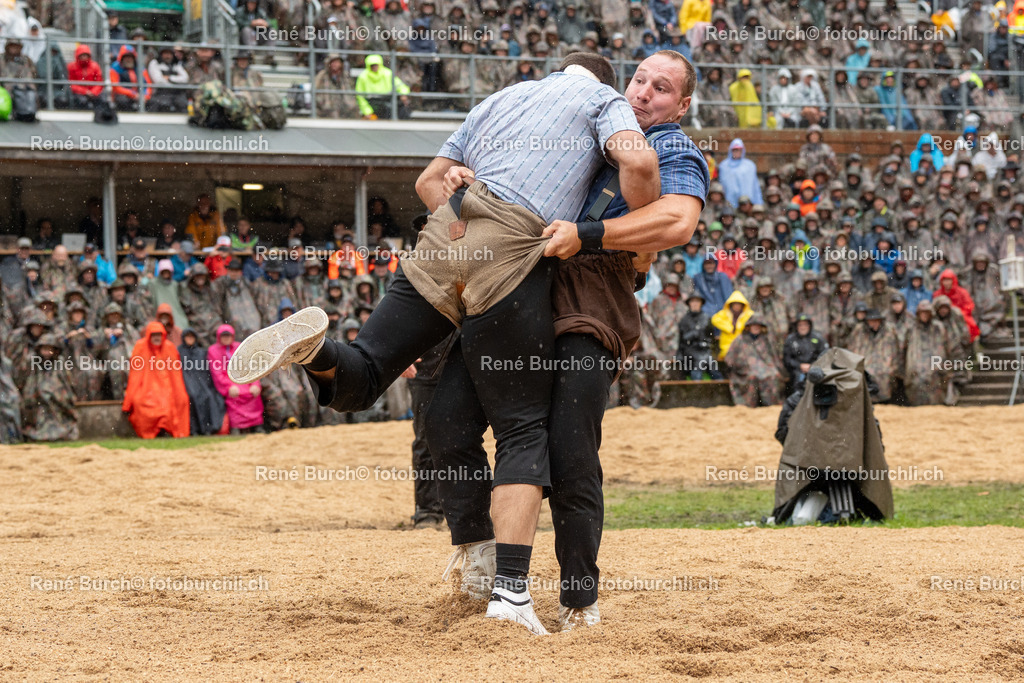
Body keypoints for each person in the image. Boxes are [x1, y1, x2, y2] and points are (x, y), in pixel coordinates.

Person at [228, 52, 663, 635]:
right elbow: (637, 161)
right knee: (522, 428)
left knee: (364, 372)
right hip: (510, 249)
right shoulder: (600, 102)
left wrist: (463, 220)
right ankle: (511, 594)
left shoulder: (503, 97)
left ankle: (314, 351)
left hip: (447, 230)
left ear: (560, 67)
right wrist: (636, 224)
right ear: (607, 80)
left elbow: (428, 182)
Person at [122, 321, 190, 438]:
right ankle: (157, 430)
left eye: (159, 334)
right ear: (149, 336)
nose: (156, 337)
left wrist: (178, 392)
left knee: (180, 399)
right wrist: (128, 401)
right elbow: (135, 376)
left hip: (166, 388)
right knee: (141, 402)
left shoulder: (169, 348)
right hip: (146, 388)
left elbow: (175, 375)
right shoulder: (140, 347)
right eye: (154, 335)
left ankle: (167, 429)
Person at [21, 333, 79, 442]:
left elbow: (67, 384)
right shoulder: (34, 363)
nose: (47, 353)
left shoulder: (60, 363)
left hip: (58, 402)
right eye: (44, 349)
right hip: (38, 404)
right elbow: (29, 384)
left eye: (50, 349)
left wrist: (53, 393)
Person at [209, 324, 264, 434]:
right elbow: (218, 373)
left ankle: (256, 425)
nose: (226, 338)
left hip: (244, 380)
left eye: (228, 335)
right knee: (235, 396)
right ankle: (237, 426)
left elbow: (251, 367)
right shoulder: (213, 350)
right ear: (219, 337)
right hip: (229, 383)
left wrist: (255, 384)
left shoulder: (240, 347)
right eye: (223, 336)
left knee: (253, 394)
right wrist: (229, 386)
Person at [724, 315, 786, 407]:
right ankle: (748, 405)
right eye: (754, 325)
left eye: (759, 325)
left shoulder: (767, 340)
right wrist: (738, 367)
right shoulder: (739, 340)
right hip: (744, 370)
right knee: (752, 377)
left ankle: (771, 404)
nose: (756, 327)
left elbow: (773, 357)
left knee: (773, 376)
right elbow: (730, 358)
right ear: (749, 326)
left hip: (765, 368)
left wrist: (776, 368)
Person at [179, 327, 227, 436]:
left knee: (209, 396)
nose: (190, 339)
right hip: (186, 383)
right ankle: (194, 429)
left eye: (192, 336)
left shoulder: (201, 352)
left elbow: (207, 372)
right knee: (192, 397)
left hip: (203, 383)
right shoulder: (179, 352)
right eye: (188, 336)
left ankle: (207, 428)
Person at [355, 53, 411, 120]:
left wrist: (403, 94)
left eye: (376, 65)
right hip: (372, 103)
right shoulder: (363, 77)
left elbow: (401, 86)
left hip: (387, 100)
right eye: (372, 65)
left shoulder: (387, 73)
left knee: (403, 108)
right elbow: (360, 97)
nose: (374, 67)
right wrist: (367, 112)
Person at [783, 314, 828, 384]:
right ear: (796, 326)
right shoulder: (790, 339)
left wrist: (812, 365)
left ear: (809, 325)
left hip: (815, 368)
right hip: (797, 370)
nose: (803, 327)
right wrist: (799, 366)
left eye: (805, 325)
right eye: (800, 325)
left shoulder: (818, 338)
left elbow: (825, 355)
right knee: (798, 379)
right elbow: (787, 359)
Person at [718, 139, 762, 209]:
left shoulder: (750, 166)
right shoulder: (723, 166)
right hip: (729, 205)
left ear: (743, 151)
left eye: (739, 150)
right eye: (734, 150)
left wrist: (758, 202)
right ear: (730, 150)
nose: (737, 152)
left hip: (746, 204)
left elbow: (755, 186)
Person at [67, 43, 103, 110]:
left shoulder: (95, 66)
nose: (84, 57)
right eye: (82, 55)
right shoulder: (71, 66)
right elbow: (71, 84)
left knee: (101, 100)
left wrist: (93, 92)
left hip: (93, 93)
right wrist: (85, 91)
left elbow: (99, 82)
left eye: (86, 55)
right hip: (79, 93)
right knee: (81, 101)